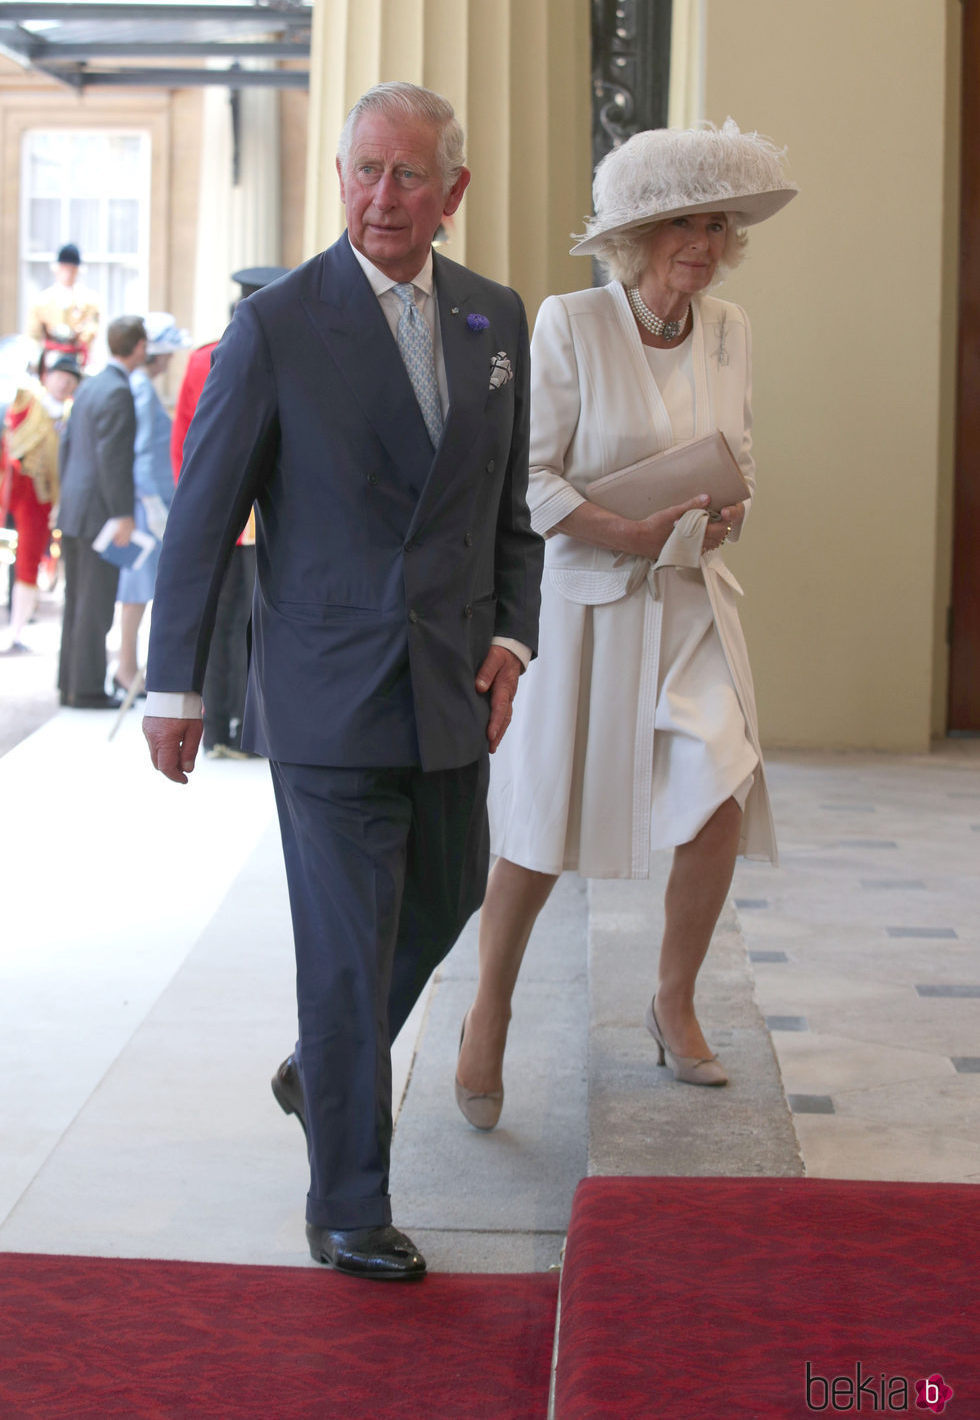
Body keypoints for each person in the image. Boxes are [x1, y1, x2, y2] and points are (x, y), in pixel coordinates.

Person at [142, 83, 543, 1281]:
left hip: (448, 687)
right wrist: (173, 687)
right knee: (346, 945)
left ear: (451, 193)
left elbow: (508, 515)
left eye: (408, 175)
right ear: (339, 177)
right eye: (363, 170)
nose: (382, 196)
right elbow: (203, 519)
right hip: (325, 689)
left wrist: (512, 640)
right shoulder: (276, 325)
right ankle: (348, 1200)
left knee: (448, 896)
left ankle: (320, 1067)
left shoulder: (493, 320)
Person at [455, 120, 796, 1127]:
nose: (698, 242)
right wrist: (623, 527)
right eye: (676, 224)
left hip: (691, 602)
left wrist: (730, 510)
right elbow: (530, 475)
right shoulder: (566, 323)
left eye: (713, 224)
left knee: (719, 787)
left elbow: (739, 457)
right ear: (633, 237)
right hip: (586, 602)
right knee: (540, 821)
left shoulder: (731, 327)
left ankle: (673, 997)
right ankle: (487, 1009)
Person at [169, 269, 289, 755]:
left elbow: (184, 446)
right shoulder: (287, 352)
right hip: (266, 519)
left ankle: (218, 725)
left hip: (224, 518)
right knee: (252, 623)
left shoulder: (202, 359)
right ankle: (243, 726)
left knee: (222, 621)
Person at [57, 315, 147, 708]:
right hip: (100, 514)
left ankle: (71, 684)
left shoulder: (91, 385)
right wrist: (123, 514)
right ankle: (89, 689)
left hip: (76, 507)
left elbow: (68, 447)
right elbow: (114, 460)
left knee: (76, 603)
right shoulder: (117, 391)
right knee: (94, 606)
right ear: (140, 347)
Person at [114, 314, 190, 695]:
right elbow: (141, 453)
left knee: (141, 589)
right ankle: (126, 669)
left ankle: (128, 668)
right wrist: (153, 504)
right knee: (137, 590)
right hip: (147, 505)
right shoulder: (142, 389)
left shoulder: (141, 386)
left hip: (150, 501)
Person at [1, 352, 81, 653]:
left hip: (42, 496)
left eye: (70, 379)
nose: (64, 382)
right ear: (47, 376)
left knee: (29, 561)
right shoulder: (27, 400)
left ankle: (17, 628)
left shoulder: (70, 416)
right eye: (60, 375)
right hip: (13, 486)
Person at [27, 244, 101, 371]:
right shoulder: (42, 300)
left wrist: (78, 336)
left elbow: (91, 330)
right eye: (64, 268)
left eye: (72, 269)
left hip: (77, 358)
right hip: (49, 358)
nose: (67, 273)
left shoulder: (89, 301)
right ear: (57, 268)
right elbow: (34, 334)